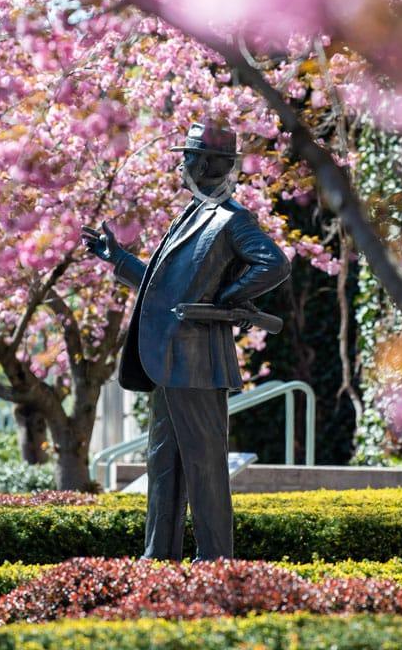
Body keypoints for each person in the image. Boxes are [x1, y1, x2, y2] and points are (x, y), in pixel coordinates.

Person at [82, 119, 289, 560]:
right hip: (168, 363)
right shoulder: (190, 215)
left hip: (197, 364)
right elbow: (164, 290)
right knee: (164, 466)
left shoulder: (232, 220)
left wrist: (228, 298)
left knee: (204, 469)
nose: (184, 164)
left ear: (212, 164)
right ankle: (158, 558)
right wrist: (118, 259)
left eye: (191, 156)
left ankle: (216, 561)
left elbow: (274, 263)